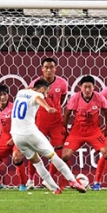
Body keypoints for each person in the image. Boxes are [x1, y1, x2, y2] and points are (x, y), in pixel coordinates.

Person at [10, 79, 86, 194]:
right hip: (30, 133)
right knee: (53, 157)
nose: (46, 95)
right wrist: (47, 107)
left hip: (16, 136)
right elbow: (38, 98)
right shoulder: (37, 94)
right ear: (42, 89)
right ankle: (72, 181)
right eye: (46, 92)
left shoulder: (20, 92)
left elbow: (30, 92)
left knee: (37, 162)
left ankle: (55, 188)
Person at [26, 57, 68, 189]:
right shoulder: (35, 84)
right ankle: (30, 180)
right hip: (40, 122)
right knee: (33, 150)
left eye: (51, 67)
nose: (49, 70)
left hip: (56, 122)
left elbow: (62, 99)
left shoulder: (62, 83)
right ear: (42, 69)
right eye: (46, 67)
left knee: (59, 151)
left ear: (55, 68)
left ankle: (48, 179)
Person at [62, 75, 107, 186]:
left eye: (90, 87)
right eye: (85, 87)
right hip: (77, 131)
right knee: (64, 156)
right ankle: (69, 181)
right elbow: (67, 113)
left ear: (94, 87)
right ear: (80, 87)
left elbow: (106, 112)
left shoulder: (100, 98)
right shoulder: (75, 98)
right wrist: (64, 128)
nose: (87, 90)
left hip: (94, 130)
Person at [0, 85, 28, 192]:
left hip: (17, 136)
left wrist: (14, 138)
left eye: (4, 94)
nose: (2, 97)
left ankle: (23, 185)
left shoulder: (14, 107)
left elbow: (22, 123)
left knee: (17, 158)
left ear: (8, 95)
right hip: (4, 138)